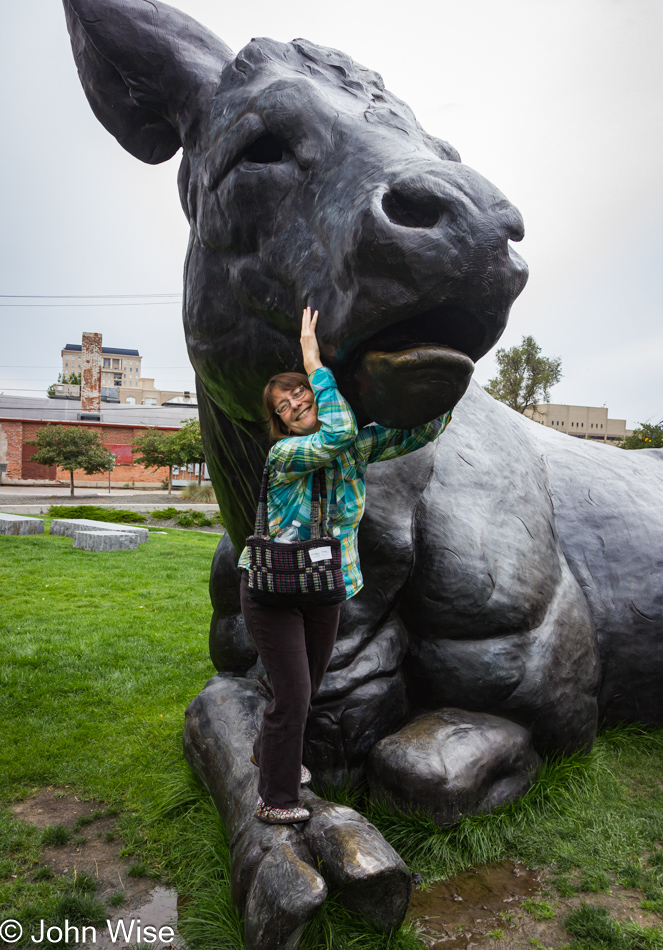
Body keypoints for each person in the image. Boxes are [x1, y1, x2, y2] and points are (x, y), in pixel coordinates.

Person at [237, 306, 453, 824]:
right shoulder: (286, 456)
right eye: (285, 406)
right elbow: (332, 435)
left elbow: (418, 432)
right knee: (291, 697)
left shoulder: (353, 445)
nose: (295, 405)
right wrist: (313, 362)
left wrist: (442, 388)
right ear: (281, 423)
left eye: (299, 395)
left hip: (324, 586)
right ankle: (276, 800)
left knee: (305, 690)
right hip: (273, 590)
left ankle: (268, 756)